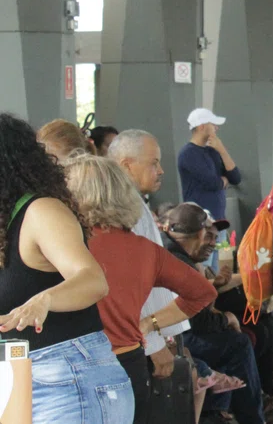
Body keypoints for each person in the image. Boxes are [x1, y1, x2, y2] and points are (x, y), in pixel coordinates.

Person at [0, 114, 134, 424]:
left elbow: (91, 279)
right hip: (19, 381)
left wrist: (44, 300)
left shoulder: (40, 212)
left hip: (67, 379)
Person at [64, 155, 216, 424]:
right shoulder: (145, 250)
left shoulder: (67, 246)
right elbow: (202, 292)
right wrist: (149, 323)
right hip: (131, 365)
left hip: (76, 368)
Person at [163, 204, 265, 424]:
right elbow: (198, 321)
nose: (213, 243)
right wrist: (226, 318)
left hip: (174, 334)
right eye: (209, 236)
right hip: (173, 340)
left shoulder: (177, 255)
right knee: (237, 343)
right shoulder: (180, 263)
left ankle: (219, 411)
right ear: (195, 233)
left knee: (250, 332)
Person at [107, 130, 195, 382]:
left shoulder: (133, 203)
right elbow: (131, 282)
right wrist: (155, 343)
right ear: (126, 165)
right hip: (138, 340)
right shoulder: (124, 209)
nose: (161, 170)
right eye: (153, 163)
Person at [178, 108, 241, 263]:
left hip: (218, 221)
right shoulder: (188, 154)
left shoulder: (212, 151)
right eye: (213, 124)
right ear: (202, 127)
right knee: (205, 266)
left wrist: (221, 149)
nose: (216, 128)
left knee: (217, 269)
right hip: (200, 224)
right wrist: (222, 181)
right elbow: (213, 183)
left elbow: (235, 177)